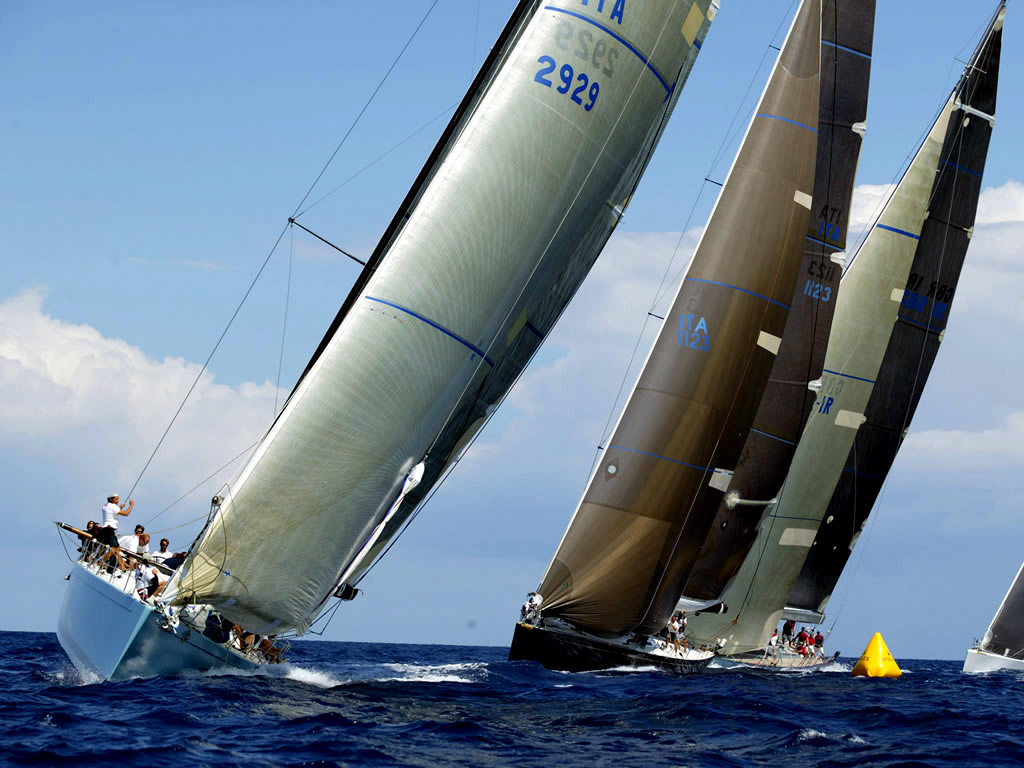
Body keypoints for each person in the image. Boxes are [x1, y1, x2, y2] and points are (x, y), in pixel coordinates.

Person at [95, 494, 133, 571]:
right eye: (116, 499)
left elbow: (111, 513)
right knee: (114, 549)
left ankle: (122, 565)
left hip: (106, 529)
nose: (117, 501)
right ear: (111, 499)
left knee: (117, 548)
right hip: (110, 530)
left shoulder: (105, 506)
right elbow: (126, 513)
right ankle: (99, 561)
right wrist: (131, 505)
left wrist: (119, 508)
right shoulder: (113, 506)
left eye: (117, 499)